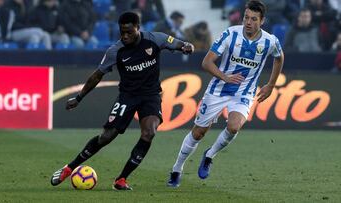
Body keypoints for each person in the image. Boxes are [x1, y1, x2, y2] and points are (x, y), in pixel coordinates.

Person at [50, 11, 194, 190]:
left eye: (129, 32)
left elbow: (177, 43)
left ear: (138, 28)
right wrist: (79, 98)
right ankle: (69, 168)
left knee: (149, 132)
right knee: (106, 137)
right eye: (122, 32)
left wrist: (186, 46)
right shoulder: (115, 51)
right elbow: (97, 75)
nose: (125, 36)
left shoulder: (155, 39)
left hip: (150, 95)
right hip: (127, 96)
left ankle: (121, 179)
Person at [167, 0, 284, 187]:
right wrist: (225, 77)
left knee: (234, 127)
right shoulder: (230, 34)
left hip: (243, 93)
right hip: (218, 90)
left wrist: (270, 85)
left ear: (262, 21)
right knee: (198, 133)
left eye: (254, 19)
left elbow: (279, 57)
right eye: (246, 17)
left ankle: (209, 155)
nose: (248, 22)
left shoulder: (270, 41)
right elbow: (206, 62)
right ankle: (176, 169)